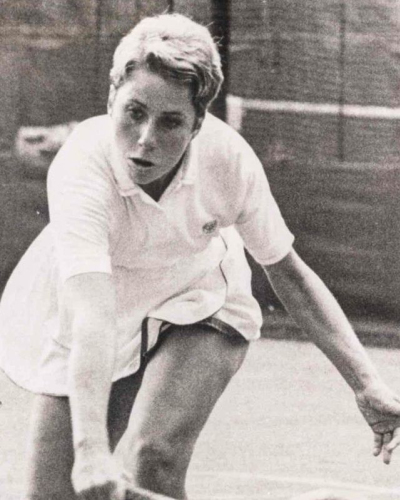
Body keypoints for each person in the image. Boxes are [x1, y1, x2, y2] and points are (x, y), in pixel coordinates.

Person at [0, 13, 399, 500]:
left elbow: (288, 272)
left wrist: (366, 383)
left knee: (154, 456)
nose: (146, 139)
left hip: (200, 295)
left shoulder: (228, 160)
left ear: (197, 123)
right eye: (134, 112)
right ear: (111, 98)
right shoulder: (80, 168)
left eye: (170, 121)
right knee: (51, 493)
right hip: (100, 307)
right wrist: (90, 451)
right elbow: (92, 315)